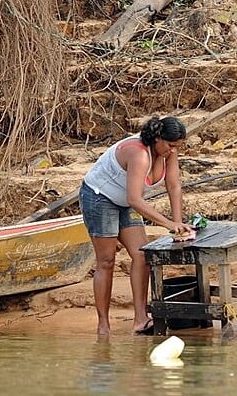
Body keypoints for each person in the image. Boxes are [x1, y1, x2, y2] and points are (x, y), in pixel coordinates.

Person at [79, 116, 193, 336]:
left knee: (142, 255)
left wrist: (178, 222)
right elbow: (135, 200)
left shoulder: (170, 152)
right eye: (170, 146)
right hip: (100, 198)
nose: (172, 151)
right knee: (107, 260)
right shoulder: (139, 153)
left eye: (176, 147)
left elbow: (174, 184)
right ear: (158, 138)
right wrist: (168, 224)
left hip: (125, 201)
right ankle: (103, 325)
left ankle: (141, 319)